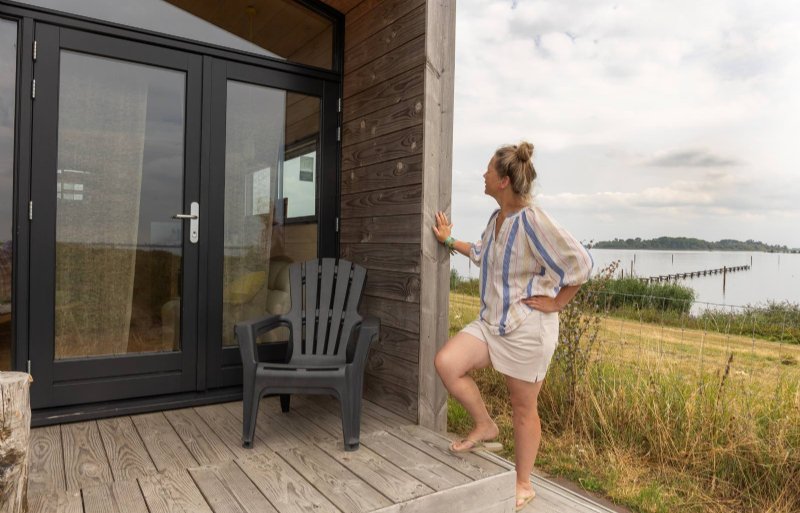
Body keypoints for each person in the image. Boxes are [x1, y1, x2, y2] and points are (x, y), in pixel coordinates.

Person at [433, 141, 592, 511]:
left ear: (503, 180)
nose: (483, 176)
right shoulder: (497, 219)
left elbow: (580, 264)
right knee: (447, 363)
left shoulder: (533, 221)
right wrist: (448, 240)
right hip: (492, 324)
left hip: (526, 330)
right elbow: (481, 253)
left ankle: (523, 483)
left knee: (523, 408)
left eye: (488, 170)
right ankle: (485, 426)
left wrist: (556, 303)